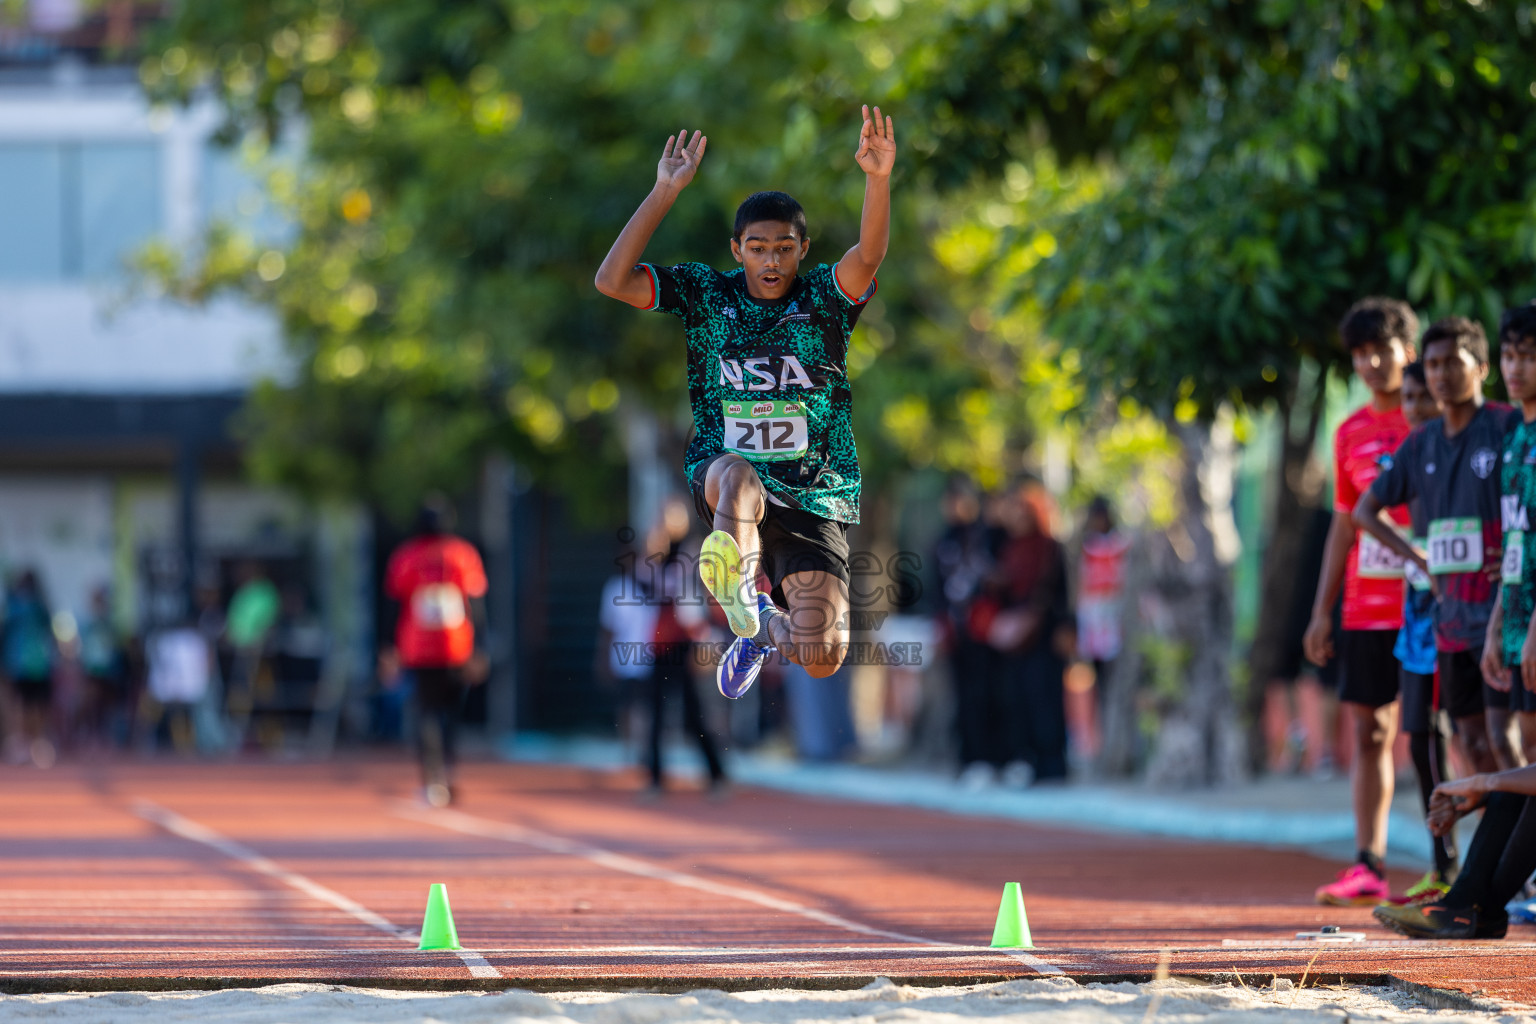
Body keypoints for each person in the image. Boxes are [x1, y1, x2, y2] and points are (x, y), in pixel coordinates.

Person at [594, 105, 895, 700]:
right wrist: (663, 191)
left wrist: (877, 179)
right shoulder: (707, 293)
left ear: (803, 249)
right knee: (740, 477)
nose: (771, 261)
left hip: (814, 488)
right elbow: (611, 280)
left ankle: (761, 631)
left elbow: (869, 255)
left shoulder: (827, 299)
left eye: (784, 248)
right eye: (757, 248)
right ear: (738, 250)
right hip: (724, 470)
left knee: (823, 655)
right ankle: (748, 597)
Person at [1355, 315, 1517, 788]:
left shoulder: (1507, 427)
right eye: (1431, 365)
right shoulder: (1420, 442)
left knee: (1505, 738)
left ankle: (1515, 857)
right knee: (1469, 743)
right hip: (1448, 620)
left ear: (1481, 368)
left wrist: (1514, 554)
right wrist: (1417, 557)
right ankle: (1494, 857)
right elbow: (1365, 512)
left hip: (1501, 614)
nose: (1441, 375)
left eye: (1452, 363)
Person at [1302, 297, 1419, 906]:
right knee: (1370, 730)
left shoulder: (1431, 423)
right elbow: (1343, 527)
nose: (1372, 363)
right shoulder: (1348, 432)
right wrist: (1322, 611)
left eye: (1382, 349)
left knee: (1436, 732)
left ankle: (1452, 864)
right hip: (1365, 607)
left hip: (1429, 604)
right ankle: (1368, 862)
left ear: (1409, 350)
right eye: (1360, 354)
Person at [1381, 360, 1459, 904]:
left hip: (1460, 615)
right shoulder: (1410, 456)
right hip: (1417, 623)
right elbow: (1360, 512)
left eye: (1422, 397)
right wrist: (1415, 556)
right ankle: (1443, 864)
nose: (1413, 406)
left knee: (1473, 740)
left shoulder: (1458, 451)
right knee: (1419, 740)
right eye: (1406, 397)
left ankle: (1486, 865)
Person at [383, 497, 489, 807]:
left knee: (427, 712)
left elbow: (393, 604)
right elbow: (476, 605)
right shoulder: (463, 555)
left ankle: (433, 780)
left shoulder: (406, 557)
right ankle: (450, 772)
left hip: (419, 647)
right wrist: (479, 647)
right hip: (457, 645)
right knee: (452, 713)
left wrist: (389, 648)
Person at [986, 480, 1072, 784]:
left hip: (1045, 635)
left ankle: (1053, 763)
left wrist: (1063, 627)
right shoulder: (1008, 548)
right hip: (1017, 640)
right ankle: (1026, 760)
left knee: (1045, 698)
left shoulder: (1050, 548)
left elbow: (1061, 594)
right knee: (1017, 698)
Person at [641, 496, 727, 795]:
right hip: (661, 644)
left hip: (688, 642)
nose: (668, 521)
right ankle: (654, 779)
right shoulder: (655, 554)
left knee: (695, 714)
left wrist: (706, 641)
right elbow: (646, 586)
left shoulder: (693, 552)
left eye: (673, 515)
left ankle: (717, 774)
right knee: (656, 714)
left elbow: (698, 601)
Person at [1483, 304, 1536, 771]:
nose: (1515, 368)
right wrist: (1497, 625)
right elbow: (1515, 542)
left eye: (1528, 357)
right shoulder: (1515, 437)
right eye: (1509, 355)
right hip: (1517, 620)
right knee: (1525, 750)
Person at [2, 570, 57, 767]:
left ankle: (33, 744)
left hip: (36, 664)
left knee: (33, 706)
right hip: (21, 664)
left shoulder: (35, 607)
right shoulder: (16, 607)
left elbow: (49, 630)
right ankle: (21, 744)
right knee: (22, 705)